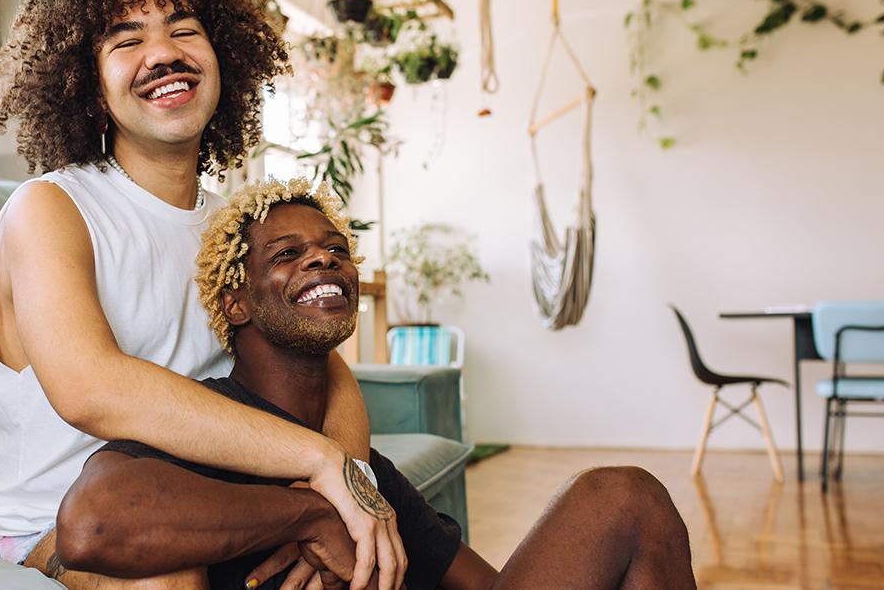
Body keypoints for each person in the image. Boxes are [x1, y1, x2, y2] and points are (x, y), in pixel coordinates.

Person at [0, 0, 403, 590]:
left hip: (206, 501)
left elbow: (325, 367)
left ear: (222, 56)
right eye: (126, 39)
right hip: (61, 524)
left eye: (184, 29)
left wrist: (338, 487)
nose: (164, 53)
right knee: (165, 571)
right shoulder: (51, 208)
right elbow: (92, 389)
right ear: (88, 82)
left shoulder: (234, 228)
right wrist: (316, 467)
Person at [42, 178, 698, 590]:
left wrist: (344, 499)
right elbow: (92, 526)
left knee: (624, 497)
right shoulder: (210, 426)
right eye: (287, 255)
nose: (324, 258)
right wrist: (307, 515)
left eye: (334, 248)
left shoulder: (362, 470)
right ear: (236, 303)